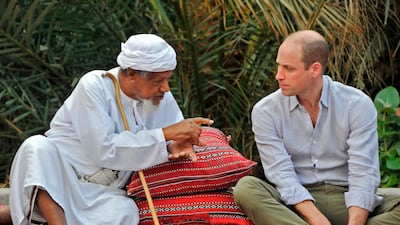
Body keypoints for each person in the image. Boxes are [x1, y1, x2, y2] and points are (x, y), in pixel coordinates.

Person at [8, 33, 213, 225]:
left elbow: (172, 136)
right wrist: (166, 134)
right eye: (159, 81)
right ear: (132, 74)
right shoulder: (95, 85)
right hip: (62, 176)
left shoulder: (160, 97)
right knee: (36, 147)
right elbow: (104, 148)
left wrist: (176, 145)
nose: (166, 88)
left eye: (167, 79)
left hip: (105, 191)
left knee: (124, 211)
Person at [233, 30, 400, 225]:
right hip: (294, 203)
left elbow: (363, 174)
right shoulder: (265, 111)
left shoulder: (357, 104)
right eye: (279, 66)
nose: (279, 75)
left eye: (288, 68)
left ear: (314, 69)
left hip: (346, 198)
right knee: (246, 189)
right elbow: (281, 173)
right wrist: (318, 221)